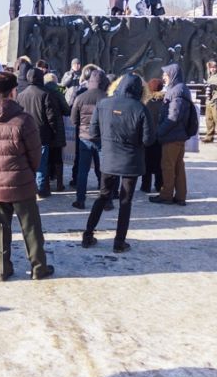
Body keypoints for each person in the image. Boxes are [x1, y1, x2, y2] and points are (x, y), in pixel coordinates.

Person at [0, 72, 55, 281]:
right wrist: (27, 170)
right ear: (13, 91)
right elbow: (35, 154)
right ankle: (38, 267)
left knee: (0, 227)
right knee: (30, 227)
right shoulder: (24, 120)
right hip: (21, 181)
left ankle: (2, 267)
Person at [82, 74, 153, 253]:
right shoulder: (141, 108)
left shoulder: (104, 103)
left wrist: (107, 144)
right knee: (125, 201)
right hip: (131, 160)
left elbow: (93, 132)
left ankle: (87, 235)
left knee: (102, 196)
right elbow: (148, 140)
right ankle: (119, 242)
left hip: (109, 158)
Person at [150, 63, 193, 206]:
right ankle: (180, 196)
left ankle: (166, 195)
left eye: (165, 75)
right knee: (178, 167)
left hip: (172, 136)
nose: (163, 78)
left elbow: (173, 116)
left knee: (168, 166)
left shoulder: (176, 91)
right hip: (177, 135)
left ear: (173, 75)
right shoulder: (180, 90)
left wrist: (160, 131)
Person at [16, 67, 59, 198]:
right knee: (41, 163)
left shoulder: (21, 94)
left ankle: (28, 187)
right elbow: (51, 116)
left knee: (28, 162)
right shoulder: (45, 94)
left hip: (25, 132)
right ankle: (40, 189)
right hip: (42, 133)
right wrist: (54, 131)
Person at [71, 69, 110, 209]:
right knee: (104, 170)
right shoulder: (107, 98)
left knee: (83, 171)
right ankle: (106, 200)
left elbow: (74, 120)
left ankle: (80, 200)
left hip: (84, 138)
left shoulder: (80, 97)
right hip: (102, 139)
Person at [43, 73, 69, 192]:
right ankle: (59, 184)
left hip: (45, 128)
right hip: (57, 128)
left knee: (47, 157)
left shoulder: (41, 91)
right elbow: (67, 110)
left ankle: (46, 184)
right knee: (58, 157)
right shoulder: (58, 92)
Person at [140, 78, 164, 193]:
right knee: (160, 163)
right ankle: (159, 185)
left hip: (148, 137)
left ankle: (146, 186)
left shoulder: (146, 103)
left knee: (147, 163)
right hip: (161, 138)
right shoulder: (165, 103)